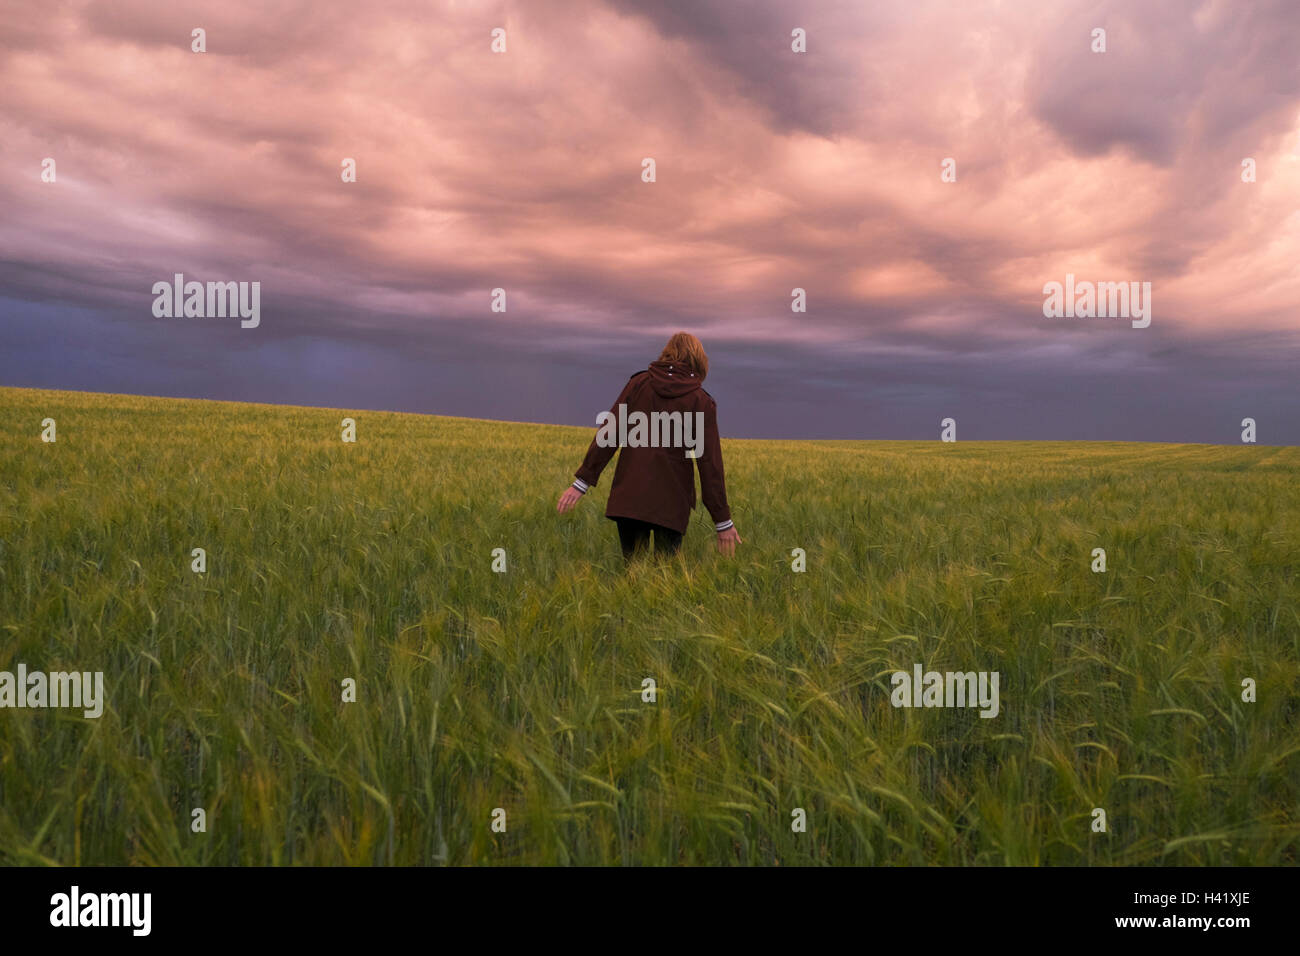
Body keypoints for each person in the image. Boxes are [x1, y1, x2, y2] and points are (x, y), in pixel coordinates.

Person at [556, 332, 742, 560]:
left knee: (632, 575)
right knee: (665, 579)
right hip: (672, 504)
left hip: (629, 498)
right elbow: (709, 464)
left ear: (667, 353)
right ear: (699, 360)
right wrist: (722, 521)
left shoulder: (638, 384)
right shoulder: (701, 401)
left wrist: (581, 482)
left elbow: (609, 433)